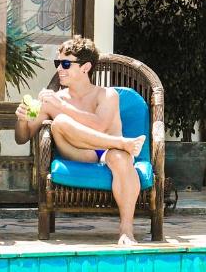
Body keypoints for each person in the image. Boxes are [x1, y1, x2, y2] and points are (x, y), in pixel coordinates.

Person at [15, 36, 146, 245]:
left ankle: (126, 230)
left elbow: (99, 125)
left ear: (85, 67)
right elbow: (22, 138)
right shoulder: (53, 99)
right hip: (80, 152)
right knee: (60, 123)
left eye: (66, 64)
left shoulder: (107, 95)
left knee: (121, 159)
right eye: (58, 63)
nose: (60, 69)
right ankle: (123, 143)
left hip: (108, 152)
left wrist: (59, 106)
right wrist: (22, 119)